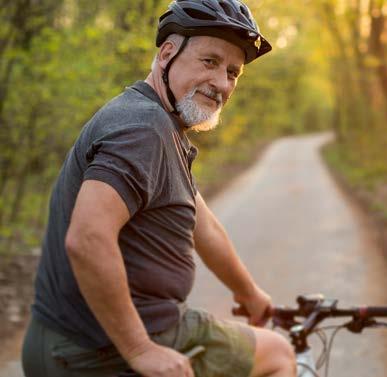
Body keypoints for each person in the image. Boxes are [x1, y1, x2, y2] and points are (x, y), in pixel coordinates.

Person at [22, 1, 296, 376]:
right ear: (167, 53)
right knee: (279, 353)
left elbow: (203, 222)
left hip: (63, 341)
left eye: (233, 72)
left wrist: (248, 292)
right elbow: (87, 239)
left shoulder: (157, 123)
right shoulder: (144, 129)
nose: (222, 83)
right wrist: (140, 349)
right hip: (99, 351)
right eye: (210, 61)